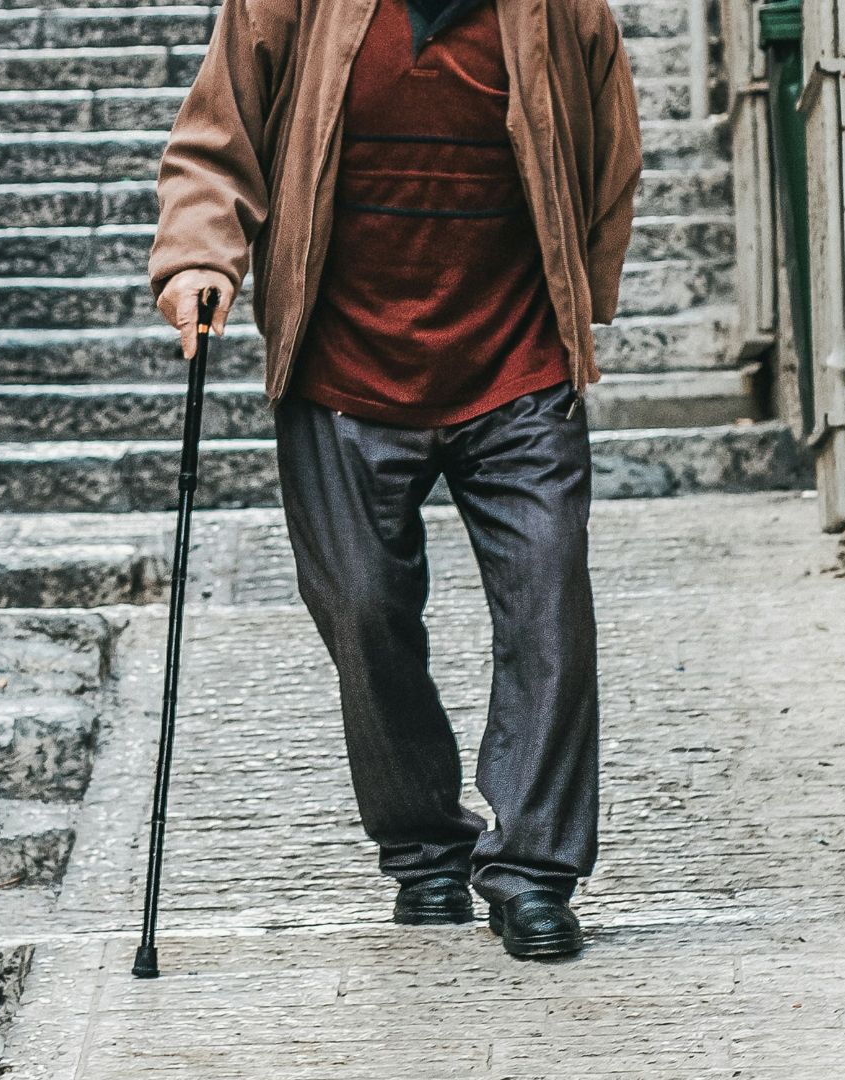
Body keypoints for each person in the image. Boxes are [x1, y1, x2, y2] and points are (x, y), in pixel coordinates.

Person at [149, 0, 641, 960]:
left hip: (516, 362)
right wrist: (200, 260)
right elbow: (217, 142)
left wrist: (581, 296)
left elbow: (609, 149)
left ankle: (534, 872)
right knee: (364, 613)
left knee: (549, 603)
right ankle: (423, 848)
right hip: (343, 368)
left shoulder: (564, 9)